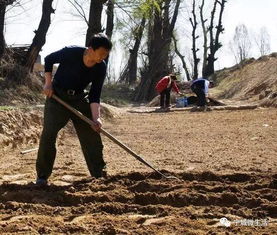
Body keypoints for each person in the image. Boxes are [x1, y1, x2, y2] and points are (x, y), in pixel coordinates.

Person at [35, 33, 112, 186]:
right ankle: (42, 176)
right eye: (101, 53)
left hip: (79, 99)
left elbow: (95, 94)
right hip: (57, 97)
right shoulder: (71, 52)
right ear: (91, 49)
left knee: (92, 133)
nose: (103, 57)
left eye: (106, 55)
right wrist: (48, 83)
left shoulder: (100, 67)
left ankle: (99, 173)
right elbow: (49, 59)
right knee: (48, 134)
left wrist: (96, 118)